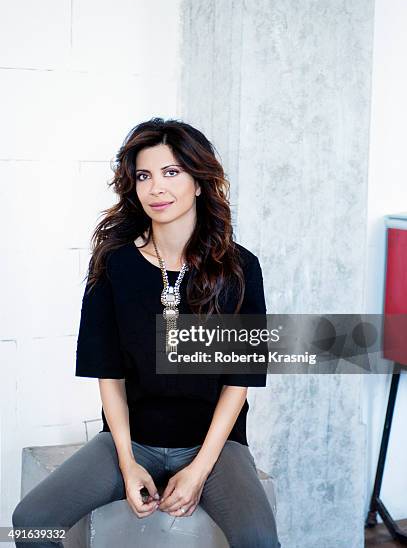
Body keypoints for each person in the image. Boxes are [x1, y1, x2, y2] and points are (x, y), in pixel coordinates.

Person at [12, 118, 281, 548]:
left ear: (198, 182)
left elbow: (239, 382)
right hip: (132, 438)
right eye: (144, 175)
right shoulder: (114, 265)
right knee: (31, 521)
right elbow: (109, 373)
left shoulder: (239, 268)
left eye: (171, 173)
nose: (156, 187)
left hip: (212, 445)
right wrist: (126, 459)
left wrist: (198, 470)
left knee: (259, 540)